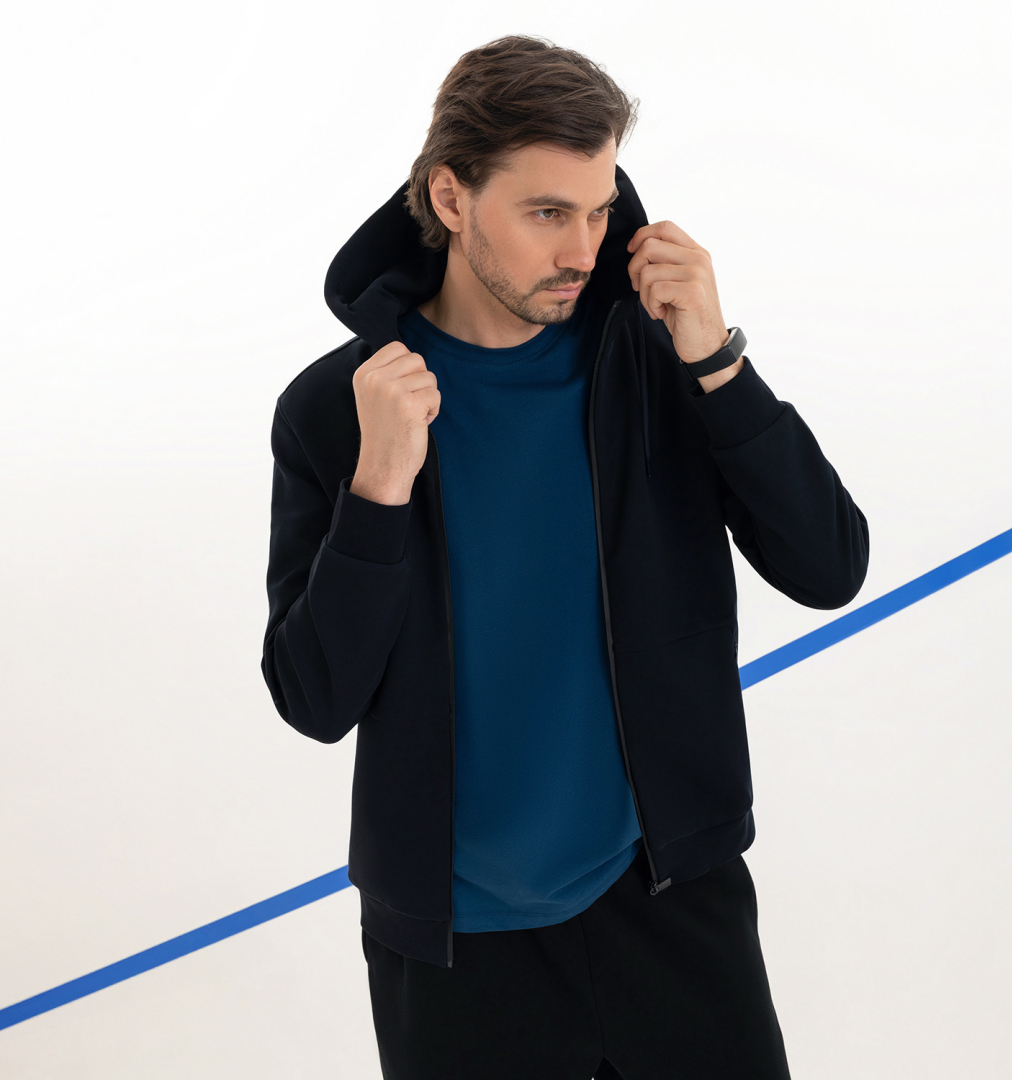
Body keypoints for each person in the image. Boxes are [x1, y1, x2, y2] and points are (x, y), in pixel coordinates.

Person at [261, 33, 869, 1080]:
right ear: (450, 198)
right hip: (458, 950)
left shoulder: (657, 356)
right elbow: (315, 698)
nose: (584, 250)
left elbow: (829, 566)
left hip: (672, 903)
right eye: (547, 213)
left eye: (598, 210)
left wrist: (719, 362)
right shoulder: (339, 409)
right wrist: (378, 489)